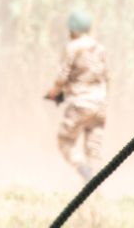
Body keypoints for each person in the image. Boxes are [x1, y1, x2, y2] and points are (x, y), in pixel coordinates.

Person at [44, 10, 108, 181]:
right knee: (94, 148)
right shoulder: (99, 48)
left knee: (65, 141)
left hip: (80, 103)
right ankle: (96, 185)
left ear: (72, 29)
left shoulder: (73, 47)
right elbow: (105, 77)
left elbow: (62, 76)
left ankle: (84, 171)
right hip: (100, 103)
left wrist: (54, 93)